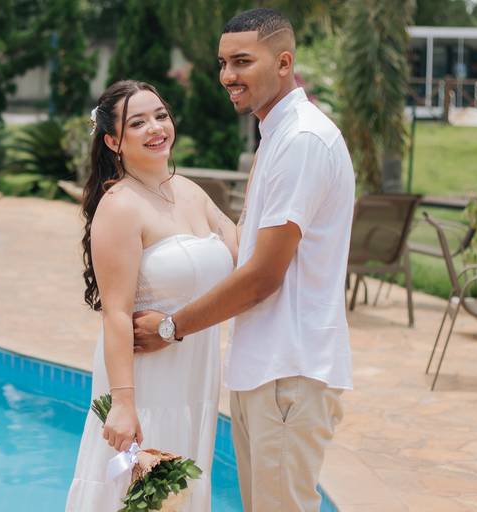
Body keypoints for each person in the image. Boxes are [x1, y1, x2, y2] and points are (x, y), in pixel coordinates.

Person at [133, 8, 355, 512]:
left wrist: (171, 326)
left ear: (284, 63)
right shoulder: (277, 135)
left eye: (242, 61)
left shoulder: (301, 141)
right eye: (222, 63)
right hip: (266, 370)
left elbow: (262, 277)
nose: (227, 76)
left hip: (289, 371)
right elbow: (247, 247)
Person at [65, 80, 238, 511]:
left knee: (182, 492)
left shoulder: (191, 191)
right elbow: (116, 313)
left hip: (194, 370)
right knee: (139, 495)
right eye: (138, 123)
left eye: (160, 116)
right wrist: (124, 403)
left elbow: (243, 253)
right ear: (113, 141)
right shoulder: (120, 206)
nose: (156, 128)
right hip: (145, 379)